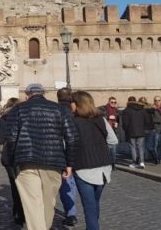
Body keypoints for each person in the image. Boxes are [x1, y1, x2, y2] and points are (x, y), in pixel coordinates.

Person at [3, 84, 79, 230]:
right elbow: (72, 137)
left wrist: (13, 160)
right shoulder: (60, 109)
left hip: (26, 162)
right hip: (54, 162)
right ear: (44, 93)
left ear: (27, 95)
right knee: (48, 203)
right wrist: (69, 164)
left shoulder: (18, 109)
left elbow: (11, 138)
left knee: (33, 204)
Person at [71, 90, 118, 230]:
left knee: (90, 206)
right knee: (94, 202)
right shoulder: (101, 119)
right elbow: (113, 140)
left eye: (72, 102)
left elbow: (68, 144)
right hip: (104, 167)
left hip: (83, 167)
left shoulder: (73, 122)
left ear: (77, 104)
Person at [0, 97, 24, 226]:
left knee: (15, 185)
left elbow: (0, 139)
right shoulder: (26, 116)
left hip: (10, 156)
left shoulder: (5, 118)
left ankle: (18, 212)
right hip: (27, 156)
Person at [57, 88, 79, 227]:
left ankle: (71, 213)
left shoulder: (56, 111)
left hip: (65, 153)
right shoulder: (77, 112)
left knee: (67, 183)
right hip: (82, 154)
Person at [120, 95, 150, 169]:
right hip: (141, 131)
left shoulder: (126, 110)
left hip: (131, 132)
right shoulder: (142, 109)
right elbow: (147, 121)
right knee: (140, 147)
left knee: (133, 147)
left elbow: (125, 123)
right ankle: (142, 162)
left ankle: (135, 162)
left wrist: (125, 130)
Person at [98, 96, 120, 166]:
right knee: (106, 148)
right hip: (106, 131)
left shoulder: (116, 110)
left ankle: (113, 163)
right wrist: (108, 118)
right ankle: (107, 162)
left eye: (115, 102)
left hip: (114, 130)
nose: (113, 103)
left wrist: (117, 124)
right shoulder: (104, 109)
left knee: (113, 148)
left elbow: (118, 120)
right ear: (109, 102)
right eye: (112, 102)